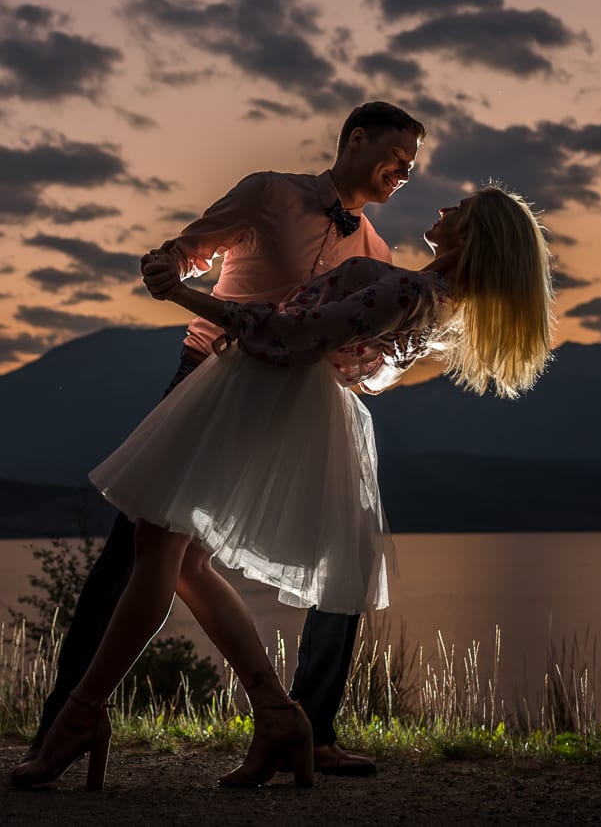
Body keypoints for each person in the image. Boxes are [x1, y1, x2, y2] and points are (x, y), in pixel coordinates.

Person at [11, 182, 556, 790]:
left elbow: (293, 338)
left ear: (474, 235)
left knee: (159, 547)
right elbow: (365, 370)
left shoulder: (413, 288)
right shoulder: (435, 296)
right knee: (181, 560)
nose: (444, 208)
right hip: (266, 397)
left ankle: (82, 716)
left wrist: (188, 298)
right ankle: (274, 714)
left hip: (256, 395)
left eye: (462, 210)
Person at [21, 101, 425, 779]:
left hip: (282, 414)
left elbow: (356, 347)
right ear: (356, 139)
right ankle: (66, 722)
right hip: (203, 382)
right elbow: (190, 249)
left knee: (305, 558)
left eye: (412, 169)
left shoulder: (376, 253)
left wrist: (370, 366)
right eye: (397, 156)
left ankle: (301, 723)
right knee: (138, 555)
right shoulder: (270, 192)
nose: (404, 172)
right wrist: (167, 267)